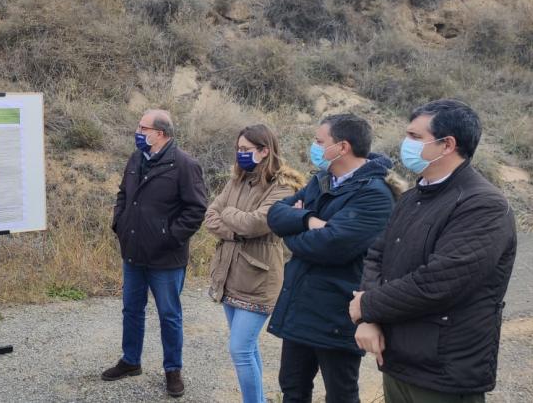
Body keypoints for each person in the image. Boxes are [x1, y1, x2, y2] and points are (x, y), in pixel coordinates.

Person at [350, 99, 517, 403]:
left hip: (443, 370)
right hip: (398, 359)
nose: (405, 143)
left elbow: (440, 283)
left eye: (415, 137)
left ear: (447, 144)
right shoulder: (412, 197)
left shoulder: (483, 205)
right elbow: (377, 256)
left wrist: (368, 305)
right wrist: (369, 318)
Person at [266, 114, 399, 403]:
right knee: (292, 388)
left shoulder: (375, 195)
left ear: (342, 147)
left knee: (340, 395)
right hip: (300, 306)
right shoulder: (322, 179)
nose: (313, 147)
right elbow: (275, 215)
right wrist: (310, 221)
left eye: (318, 141)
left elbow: (331, 245)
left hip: (336, 314)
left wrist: (294, 227)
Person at [102, 109, 207, 398]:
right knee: (131, 310)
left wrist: (169, 237)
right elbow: (123, 194)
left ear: (159, 133)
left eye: (142, 127)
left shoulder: (185, 164)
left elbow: (196, 209)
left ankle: (173, 371)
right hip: (133, 252)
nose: (137, 131)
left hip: (166, 259)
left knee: (169, 315)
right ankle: (130, 361)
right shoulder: (136, 158)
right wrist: (119, 223)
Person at [204, 124, 306, 403]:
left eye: (246, 150)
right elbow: (211, 215)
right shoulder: (237, 179)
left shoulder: (283, 186)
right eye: (238, 149)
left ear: (265, 151)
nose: (240, 154)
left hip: (259, 278)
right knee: (247, 348)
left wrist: (230, 215)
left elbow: (260, 222)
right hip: (229, 273)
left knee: (239, 349)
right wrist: (234, 224)